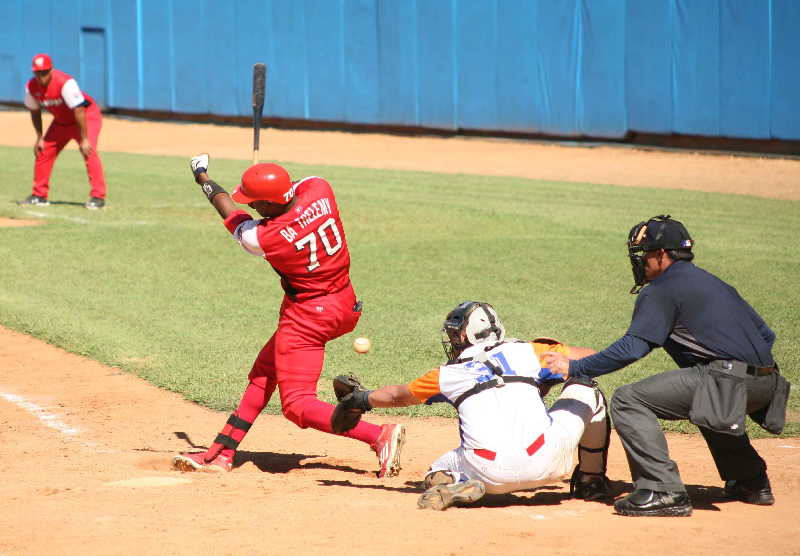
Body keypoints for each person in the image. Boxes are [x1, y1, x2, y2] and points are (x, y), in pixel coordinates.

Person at [172, 154, 405, 478]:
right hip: (344, 302)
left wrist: (203, 178)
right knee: (265, 372)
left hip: (309, 316)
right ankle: (222, 453)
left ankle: (378, 435)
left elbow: (230, 212)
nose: (252, 207)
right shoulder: (320, 188)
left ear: (269, 203)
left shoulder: (264, 237)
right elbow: (293, 189)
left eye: (256, 203)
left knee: (296, 405)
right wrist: (267, 188)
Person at [544, 214, 786, 517]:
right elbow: (766, 335)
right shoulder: (714, 283)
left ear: (661, 255)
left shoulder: (663, 288)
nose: (641, 261)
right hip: (768, 383)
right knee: (707, 398)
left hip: (727, 383)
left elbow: (632, 348)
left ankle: (662, 490)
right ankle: (751, 482)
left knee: (629, 399)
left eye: (645, 253)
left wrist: (576, 367)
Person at [331, 301, 612, 510]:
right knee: (587, 388)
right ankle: (591, 480)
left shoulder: (447, 374)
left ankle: (451, 481)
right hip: (550, 460)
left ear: (464, 337)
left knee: (438, 467)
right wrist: (544, 381)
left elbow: (396, 396)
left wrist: (360, 399)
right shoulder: (530, 351)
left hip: (488, 472)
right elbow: (591, 360)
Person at [18, 53, 107, 210]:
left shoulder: (65, 82)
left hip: (86, 117)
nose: (41, 76)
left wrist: (84, 138)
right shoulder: (31, 87)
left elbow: (79, 109)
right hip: (61, 122)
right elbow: (34, 111)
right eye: (38, 73)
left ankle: (98, 197)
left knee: (88, 150)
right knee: (43, 150)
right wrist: (39, 137)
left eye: (44, 72)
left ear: (51, 70)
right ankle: (39, 196)